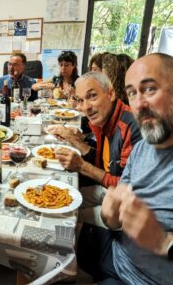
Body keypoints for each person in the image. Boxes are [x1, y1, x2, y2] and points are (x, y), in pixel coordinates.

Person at [94, 53, 173, 284]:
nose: (139, 104)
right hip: (117, 252)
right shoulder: (141, 149)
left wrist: (163, 242)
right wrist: (110, 215)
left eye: (149, 89)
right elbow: (114, 220)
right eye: (131, 93)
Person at [49, 72, 141, 226]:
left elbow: (128, 190)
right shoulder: (105, 120)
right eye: (80, 100)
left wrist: (82, 166)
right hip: (107, 190)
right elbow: (103, 163)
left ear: (110, 94)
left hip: (128, 208)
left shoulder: (131, 128)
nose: (86, 107)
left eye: (92, 96)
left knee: (64, 218)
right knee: (56, 197)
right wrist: (79, 139)